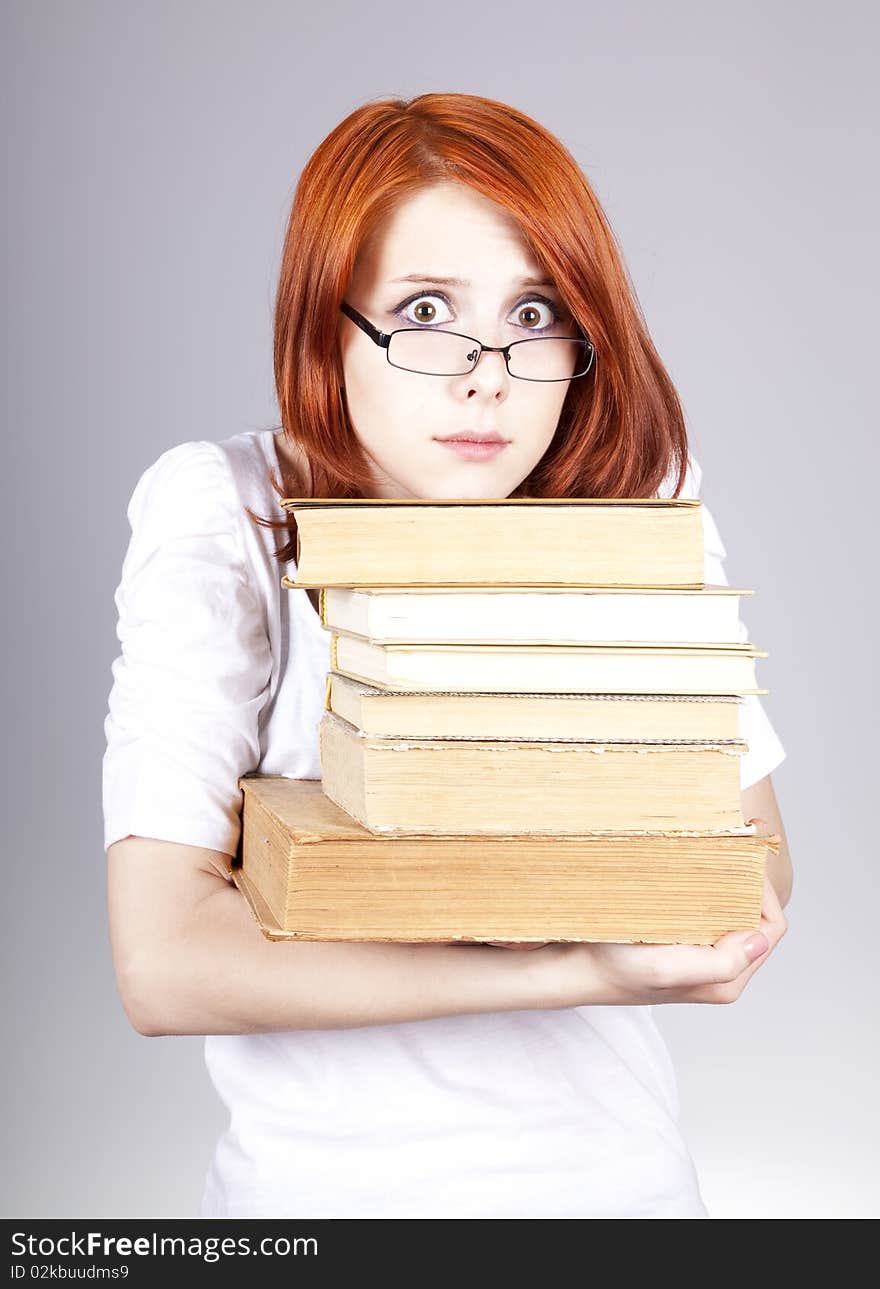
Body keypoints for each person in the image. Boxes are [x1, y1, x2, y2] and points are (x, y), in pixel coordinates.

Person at [103, 92, 792, 1220]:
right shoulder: (227, 509)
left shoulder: (641, 501)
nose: (489, 375)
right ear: (327, 320)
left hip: (626, 1197)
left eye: (534, 313)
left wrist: (715, 913)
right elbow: (164, 960)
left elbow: (755, 861)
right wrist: (579, 964)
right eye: (425, 309)